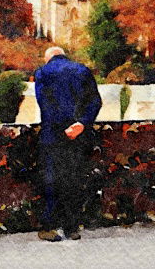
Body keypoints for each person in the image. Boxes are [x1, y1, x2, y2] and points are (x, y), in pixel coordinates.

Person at [33, 46, 101, 242]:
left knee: (52, 180)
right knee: (74, 180)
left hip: (53, 134)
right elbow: (95, 101)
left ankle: (48, 227)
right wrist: (80, 124)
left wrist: (60, 126)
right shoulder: (82, 70)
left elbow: (45, 104)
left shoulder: (42, 72)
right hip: (78, 135)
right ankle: (71, 228)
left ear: (48, 58)